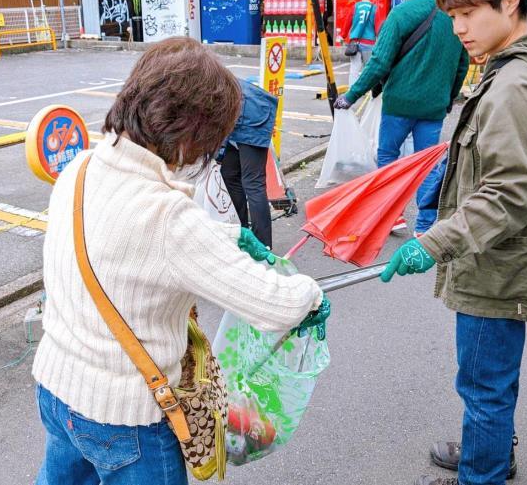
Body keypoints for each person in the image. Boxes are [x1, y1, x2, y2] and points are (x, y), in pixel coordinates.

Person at [32, 38, 329, 485]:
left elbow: (128, 244)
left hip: (57, 390)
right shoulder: (168, 218)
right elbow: (275, 305)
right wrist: (310, 295)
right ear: (192, 136)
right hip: (127, 420)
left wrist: (229, 236)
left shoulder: (81, 167)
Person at [379, 0, 527, 484]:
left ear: (511, 2)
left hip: (496, 265)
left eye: (469, 13)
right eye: (453, 16)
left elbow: (509, 193)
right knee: (493, 379)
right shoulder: (521, 66)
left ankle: (482, 471)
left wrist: (432, 243)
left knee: (482, 385)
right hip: (507, 257)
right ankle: (490, 450)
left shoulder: (514, 85)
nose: (459, 28)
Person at [334, 0, 470, 237]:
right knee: (427, 163)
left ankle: (392, 216)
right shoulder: (451, 15)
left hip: (398, 104)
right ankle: (425, 225)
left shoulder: (399, 14)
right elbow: (462, 64)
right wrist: (448, 99)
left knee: (388, 157)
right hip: (434, 106)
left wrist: (351, 96)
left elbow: (379, 62)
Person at [220, 79, 278, 248]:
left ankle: (262, 245)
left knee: (253, 183)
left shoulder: (191, 90)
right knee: (229, 175)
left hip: (253, 116)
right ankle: (242, 233)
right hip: (239, 113)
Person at [346, 0, 378, 86]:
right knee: (367, 69)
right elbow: (378, 26)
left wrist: (342, 35)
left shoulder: (355, 7)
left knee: (354, 69)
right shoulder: (374, 8)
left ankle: (352, 90)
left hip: (355, 42)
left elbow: (348, 22)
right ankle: (367, 90)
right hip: (369, 43)